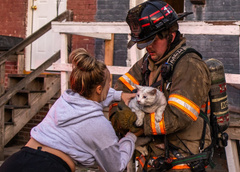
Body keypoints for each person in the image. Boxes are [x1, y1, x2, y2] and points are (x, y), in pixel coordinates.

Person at [109, 0, 212, 171]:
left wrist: (136, 123)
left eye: (152, 40)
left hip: (182, 160)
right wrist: (116, 114)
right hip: (154, 158)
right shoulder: (148, 63)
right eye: (144, 42)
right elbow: (121, 89)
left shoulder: (190, 66)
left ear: (170, 36)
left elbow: (177, 116)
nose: (148, 47)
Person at [0, 48, 142, 172]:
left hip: (16, 161)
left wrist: (120, 95)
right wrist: (131, 136)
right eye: (108, 83)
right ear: (99, 88)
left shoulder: (65, 100)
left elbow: (93, 98)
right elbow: (115, 167)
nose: (110, 87)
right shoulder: (99, 126)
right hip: (49, 167)